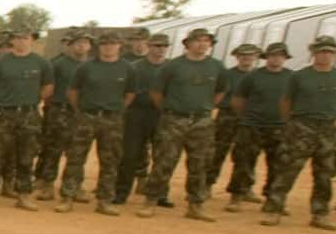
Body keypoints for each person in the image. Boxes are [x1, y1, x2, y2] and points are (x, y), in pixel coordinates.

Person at [137, 27, 227, 222]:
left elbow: (220, 92)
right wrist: (171, 110)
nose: (202, 44)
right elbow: (156, 93)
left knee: (200, 164)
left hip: (202, 121)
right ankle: (151, 201)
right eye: (198, 40)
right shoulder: (172, 66)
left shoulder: (217, 66)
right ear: (188, 44)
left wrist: (206, 107)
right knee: (164, 161)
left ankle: (196, 205)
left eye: (206, 41)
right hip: (174, 119)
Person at [264, 36, 336, 229]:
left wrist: (331, 118)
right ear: (314, 53)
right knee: (287, 169)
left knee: (325, 173)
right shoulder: (299, 76)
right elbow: (286, 102)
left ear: (334, 54)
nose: (325, 55)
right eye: (321, 51)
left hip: (327, 128)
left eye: (329, 52)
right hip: (301, 126)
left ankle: (320, 214)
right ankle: (274, 209)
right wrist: (292, 123)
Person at [57, 33, 137, 214]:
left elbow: (130, 94)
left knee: (110, 161)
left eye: (112, 44)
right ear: (98, 47)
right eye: (104, 44)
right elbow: (73, 91)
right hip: (87, 117)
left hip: (112, 119)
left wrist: (115, 110)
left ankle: (104, 200)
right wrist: (82, 111)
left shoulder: (127, 69)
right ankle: (67, 197)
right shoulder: (85, 67)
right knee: (75, 158)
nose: (108, 47)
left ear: (119, 46)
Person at [0, 28, 53, 209]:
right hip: (3, 114)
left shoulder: (41, 63)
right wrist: (4, 103)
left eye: (24, 38)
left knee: (26, 156)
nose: (20, 41)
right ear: (12, 41)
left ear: (31, 40)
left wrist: (31, 102)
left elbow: (48, 87)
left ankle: (24, 195)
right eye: (17, 38)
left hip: (29, 114)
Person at [224, 42, 292, 210]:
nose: (276, 58)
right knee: (243, 161)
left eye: (280, 55)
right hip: (252, 125)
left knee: (278, 164)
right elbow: (237, 100)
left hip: (279, 127)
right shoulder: (253, 76)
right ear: (266, 57)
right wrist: (247, 118)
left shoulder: (292, 77)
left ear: (285, 58)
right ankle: (237, 196)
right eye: (273, 55)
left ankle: (273, 199)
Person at [116, 33, 172, 206]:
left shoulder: (171, 67)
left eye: (163, 46)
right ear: (149, 46)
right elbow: (123, 90)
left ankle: (159, 194)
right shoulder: (134, 67)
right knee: (129, 155)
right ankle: (121, 192)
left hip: (162, 115)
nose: (160, 49)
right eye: (156, 46)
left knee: (163, 155)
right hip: (136, 114)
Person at [34, 32, 92, 200]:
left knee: (78, 151)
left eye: (85, 43)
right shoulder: (57, 65)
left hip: (83, 113)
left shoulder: (91, 66)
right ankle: (47, 185)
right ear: (70, 45)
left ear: (89, 46)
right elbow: (47, 87)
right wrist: (53, 106)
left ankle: (75, 186)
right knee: (53, 149)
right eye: (78, 43)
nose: (81, 46)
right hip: (60, 110)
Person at [208, 43, 261, 196]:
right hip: (227, 116)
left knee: (247, 154)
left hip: (250, 119)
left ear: (256, 57)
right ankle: (207, 184)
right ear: (237, 57)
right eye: (243, 55)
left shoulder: (259, 75)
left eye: (250, 55)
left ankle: (243, 187)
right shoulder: (227, 75)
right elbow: (217, 93)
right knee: (217, 152)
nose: (247, 58)